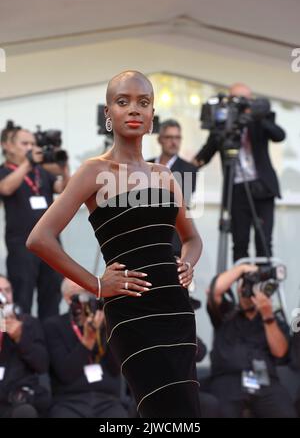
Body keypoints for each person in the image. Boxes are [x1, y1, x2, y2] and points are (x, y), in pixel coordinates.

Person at [26, 71, 203, 418]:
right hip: (131, 312)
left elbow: (192, 237)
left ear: (153, 116)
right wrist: (95, 284)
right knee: (160, 410)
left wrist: (187, 262)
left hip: (177, 310)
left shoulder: (166, 175)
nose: (133, 110)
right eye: (123, 102)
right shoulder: (94, 171)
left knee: (185, 413)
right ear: (108, 113)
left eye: (143, 103)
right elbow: (39, 239)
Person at [193, 83, 286, 262]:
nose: (239, 105)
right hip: (236, 191)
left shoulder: (259, 120)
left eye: (244, 100)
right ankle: (243, 287)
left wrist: (256, 117)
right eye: (234, 100)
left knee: (264, 242)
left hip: (263, 189)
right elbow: (205, 154)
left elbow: (279, 135)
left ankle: (262, 287)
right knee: (240, 243)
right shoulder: (222, 126)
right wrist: (178, 171)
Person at [206, 264, 297, 418]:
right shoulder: (227, 313)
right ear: (238, 289)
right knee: (218, 410)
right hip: (227, 380)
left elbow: (280, 352)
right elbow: (214, 291)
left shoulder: (273, 318)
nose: (249, 289)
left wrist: (267, 316)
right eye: (246, 284)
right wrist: (242, 269)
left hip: (264, 382)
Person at [0, 125, 70, 319]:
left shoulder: (41, 172)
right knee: (22, 301)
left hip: (50, 246)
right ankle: (23, 347)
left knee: (51, 301)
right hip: (22, 249)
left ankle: (48, 346)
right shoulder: (5, 171)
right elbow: (5, 188)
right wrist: (28, 164)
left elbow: (63, 188)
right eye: (25, 143)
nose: (31, 147)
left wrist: (64, 167)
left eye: (33, 143)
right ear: (8, 146)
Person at [44, 278, 129, 418]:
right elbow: (65, 373)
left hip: (107, 400)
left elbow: (116, 368)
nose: (87, 298)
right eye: (80, 293)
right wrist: (87, 341)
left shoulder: (106, 323)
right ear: (68, 299)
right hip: (69, 401)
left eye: (89, 292)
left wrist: (108, 328)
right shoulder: (53, 326)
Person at [0, 274, 50, 418]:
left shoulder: (28, 322)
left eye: (7, 291)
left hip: (16, 398)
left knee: (26, 412)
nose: (4, 296)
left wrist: (21, 337)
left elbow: (42, 365)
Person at [148, 119, 198, 257]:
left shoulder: (190, 169)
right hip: (145, 239)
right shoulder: (144, 164)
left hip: (174, 241)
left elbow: (181, 201)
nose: (174, 142)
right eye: (169, 137)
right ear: (159, 140)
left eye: (177, 137)